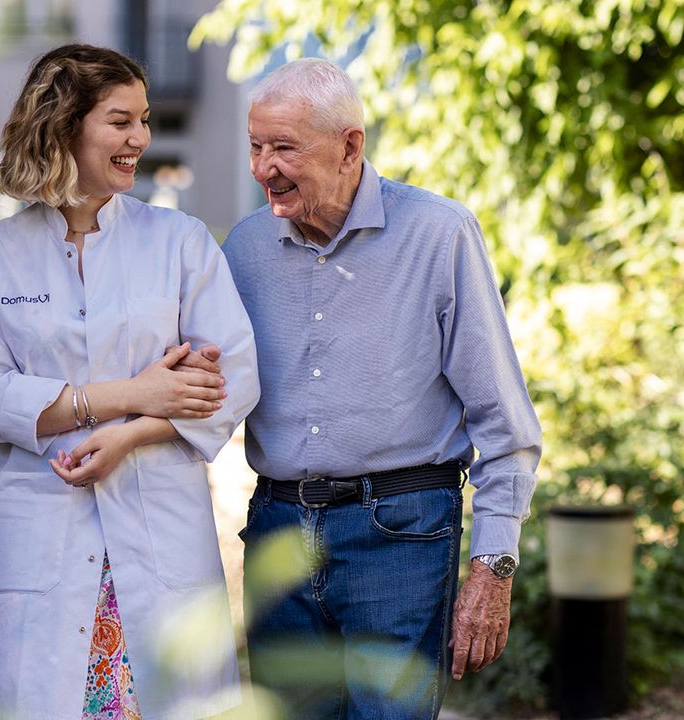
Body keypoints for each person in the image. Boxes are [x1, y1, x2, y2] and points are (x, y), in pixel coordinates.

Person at [220, 58, 542, 718]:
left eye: (283, 148)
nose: (262, 167)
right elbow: (211, 389)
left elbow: (504, 426)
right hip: (277, 529)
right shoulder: (245, 249)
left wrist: (494, 567)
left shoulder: (439, 233)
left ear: (349, 146)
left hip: (400, 532)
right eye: (255, 146)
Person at [0, 44, 259, 720]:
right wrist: (136, 393)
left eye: (144, 121)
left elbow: (231, 375)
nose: (140, 139)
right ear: (65, 125)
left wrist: (129, 435)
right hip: (45, 537)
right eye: (121, 122)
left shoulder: (178, 243)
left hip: (158, 529)